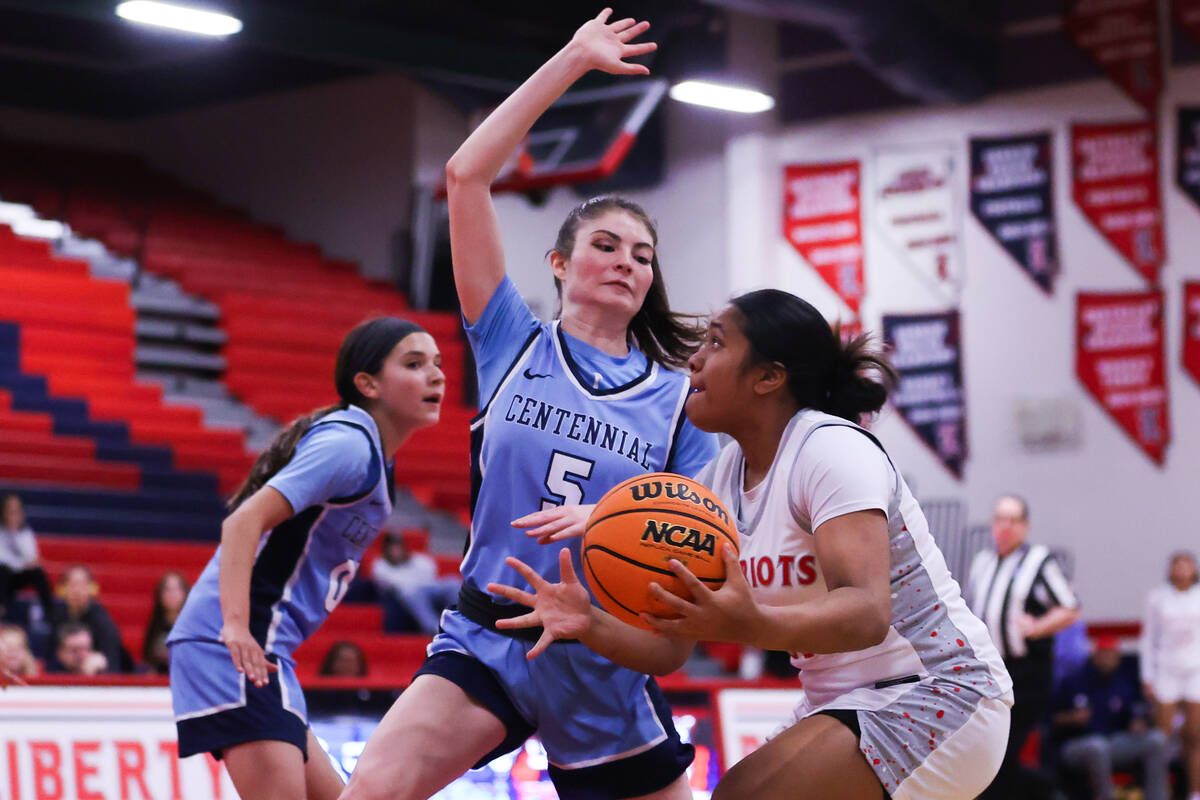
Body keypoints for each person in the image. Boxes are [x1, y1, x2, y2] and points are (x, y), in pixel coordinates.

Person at [341, 13, 717, 800]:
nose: (626, 262)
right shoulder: (512, 341)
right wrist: (572, 61)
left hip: (605, 652)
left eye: (642, 255)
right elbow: (464, 176)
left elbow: (704, 527)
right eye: (606, 245)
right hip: (492, 633)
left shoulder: (680, 398)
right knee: (371, 790)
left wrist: (611, 518)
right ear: (560, 262)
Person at [490, 290, 1014, 800]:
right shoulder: (715, 483)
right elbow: (669, 650)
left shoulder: (830, 449)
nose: (694, 359)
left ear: (768, 377)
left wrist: (749, 623)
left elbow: (867, 612)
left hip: (941, 688)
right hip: (842, 701)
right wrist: (588, 622)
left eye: (716, 343)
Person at [165, 317, 444, 800]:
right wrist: (234, 627)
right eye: (415, 364)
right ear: (368, 384)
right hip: (236, 643)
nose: (436, 375)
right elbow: (242, 522)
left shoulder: (371, 452)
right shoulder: (349, 445)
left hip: (266, 648)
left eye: (437, 363)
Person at [967, 494, 1081, 799]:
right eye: (999, 519)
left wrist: (1037, 627)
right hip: (989, 670)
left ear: (1025, 526)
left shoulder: (1038, 560)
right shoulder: (982, 562)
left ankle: (1043, 791)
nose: (1005, 526)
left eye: (1013, 520)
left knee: (1006, 749)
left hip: (1026, 672)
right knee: (985, 749)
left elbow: (1070, 608)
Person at [1051, 635, 1168, 800]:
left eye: (1113, 656)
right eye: (1104, 654)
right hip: (1076, 744)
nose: (1108, 660)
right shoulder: (1073, 681)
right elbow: (1050, 719)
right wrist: (1072, 718)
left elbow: (1134, 714)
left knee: (1156, 739)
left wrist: (1137, 722)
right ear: (1095, 655)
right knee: (1097, 746)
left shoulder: (1123, 684)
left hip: (1113, 741)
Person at [1141, 550, 1200, 800]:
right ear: (1170, 570)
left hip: (1195, 671)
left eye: (1188, 565)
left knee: (1195, 737)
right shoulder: (1157, 598)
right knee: (1161, 738)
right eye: (1178, 565)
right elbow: (1148, 638)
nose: (1183, 570)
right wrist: (1147, 675)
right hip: (1166, 671)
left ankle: (1194, 792)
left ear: (1195, 570)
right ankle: (1160, 792)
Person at [48, 564, 131, 672]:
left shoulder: (103, 622)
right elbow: (50, 656)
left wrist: (99, 665)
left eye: (82, 585)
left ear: (91, 588)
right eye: (72, 585)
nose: (77, 591)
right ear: (63, 588)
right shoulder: (57, 616)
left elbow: (112, 662)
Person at [371, 532, 458, 634]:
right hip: (408, 593)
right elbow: (394, 584)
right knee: (412, 592)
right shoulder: (380, 565)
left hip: (429, 588)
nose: (395, 551)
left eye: (398, 547)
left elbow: (431, 576)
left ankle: (459, 624)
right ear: (386, 550)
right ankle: (435, 629)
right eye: (392, 548)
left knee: (453, 581)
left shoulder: (420, 559)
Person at [0, 493, 54, 622]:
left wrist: (14, 531)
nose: (13, 514)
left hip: (17, 575)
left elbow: (31, 558)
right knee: (3, 570)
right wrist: (21, 564)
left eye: (16, 511)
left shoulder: (25, 532)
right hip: (3, 575)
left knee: (38, 573)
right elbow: (2, 558)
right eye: (10, 511)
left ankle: (50, 612)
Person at [142, 571, 189, 674]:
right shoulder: (155, 623)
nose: (172, 594)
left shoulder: (192, 625)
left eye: (176, 589)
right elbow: (148, 655)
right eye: (167, 589)